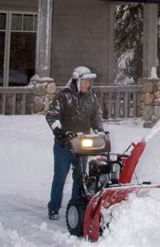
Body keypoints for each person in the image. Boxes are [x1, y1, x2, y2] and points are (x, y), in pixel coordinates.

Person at [45, 65, 103, 220]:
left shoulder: (91, 97)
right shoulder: (64, 96)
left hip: (82, 144)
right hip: (64, 145)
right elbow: (51, 115)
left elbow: (96, 117)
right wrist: (59, 131)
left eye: (88, 82)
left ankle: (76, 207)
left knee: (80, 178)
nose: (87, 85)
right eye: (84, 82)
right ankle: (54, 208)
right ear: (77, 81)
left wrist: (100, 131)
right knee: (60, 176)